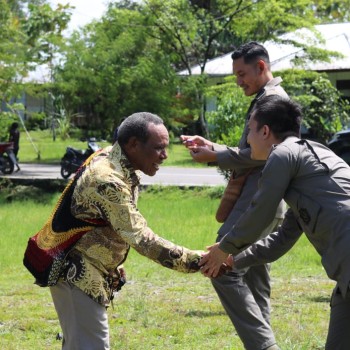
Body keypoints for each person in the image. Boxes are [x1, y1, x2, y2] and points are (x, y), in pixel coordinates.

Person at [23, 112, 202, 350]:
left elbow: (105, 222)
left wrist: (113, 260)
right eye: (159, 148)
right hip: (78, 274)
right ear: (133, 144)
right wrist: (197, 261)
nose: (165, 155)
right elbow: (141, 238)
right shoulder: (108, 179)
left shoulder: (115, 159)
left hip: (88, 270)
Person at [199, 94, 350, 349]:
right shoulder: (307, 163)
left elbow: (260, 211)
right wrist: (233, 260)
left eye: (249, 132)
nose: (247, 140)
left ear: (265, 131)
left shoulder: (282, 154)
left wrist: (224, 248)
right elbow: (280, 240)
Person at [181, 42, 288, 350]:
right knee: (256, 282)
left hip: (258, 203)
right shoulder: (268, 99)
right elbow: (253, 149)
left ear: (261, 67)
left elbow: (263, 156)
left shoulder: (272, 101)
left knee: (220, 267)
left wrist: (214, 157)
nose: (239, 81)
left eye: (243, 74)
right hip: (267, 203)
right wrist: (211, 146)